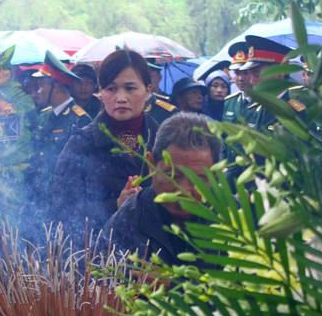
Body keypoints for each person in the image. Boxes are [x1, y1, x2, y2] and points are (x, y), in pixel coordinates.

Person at [52, 49, 160, 238]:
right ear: (100, 92)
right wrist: (117, 206)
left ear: (148, 91)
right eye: (111, 89)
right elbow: (63, 211)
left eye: (131, 88)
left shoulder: (163, 141)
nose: (121, 98)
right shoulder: (82, 144)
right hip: (102, 257)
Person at [103, 112, 221, 266]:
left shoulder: (231, 217)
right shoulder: (130, 218)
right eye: (173, 176)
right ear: (151, 165)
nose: (184, 191)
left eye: (199, 180)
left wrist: (173, 286)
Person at [26, 51, 91, 205]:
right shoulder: (42, 116)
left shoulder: (79, 120)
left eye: (42, 85)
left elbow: (84, 168)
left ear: (54, 86)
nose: (39, 91)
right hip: (38, 199)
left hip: (64, 201)